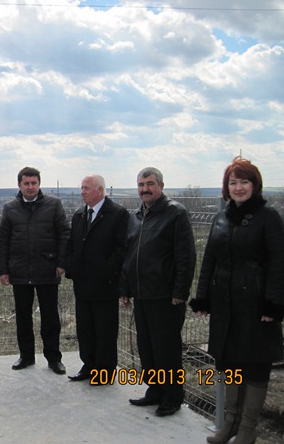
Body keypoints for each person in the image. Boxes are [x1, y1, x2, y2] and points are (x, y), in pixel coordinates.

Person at [190, 157, 284, 444]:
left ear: (255, 185)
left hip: (256, 307)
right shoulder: (221, 218)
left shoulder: (269, 217)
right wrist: (203, 297)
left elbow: (279, 263)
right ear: (226, 187)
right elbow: (210, 260)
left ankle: (247, 430)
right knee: (229, 363)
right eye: (233, 182)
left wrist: (273, 304)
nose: (238, 187)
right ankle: (230, 423)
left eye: (244, 182)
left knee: (254, 366)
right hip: (225, 306)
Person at [120, 167, 196, 417]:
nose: (145, 189)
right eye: (141, 185)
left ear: (161, 186)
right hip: (141, 295)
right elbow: (129, 256)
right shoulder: (136, 216)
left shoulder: (175, 213)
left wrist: (180, 291)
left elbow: (186, 256)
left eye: (150, 184)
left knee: (167, 350)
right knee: (147, 347)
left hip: (165, 296)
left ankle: (172, 396)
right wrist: (125, 288)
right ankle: (155, 390)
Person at [0, 167, 71, 375]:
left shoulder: (54, 204)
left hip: (48, 269)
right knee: (23, 317)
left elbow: (64, 234)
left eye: (34, 183)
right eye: (26, 183)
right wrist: (3, 270)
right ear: (19, 185)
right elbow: (3, 240)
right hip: (20, 271)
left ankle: (54, 358)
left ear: (39, 184)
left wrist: (61, 263)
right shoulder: (10, 208)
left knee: (50, 318)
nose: (30, 187)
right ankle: (26, 356)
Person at [65, 175, 129, 382]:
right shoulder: (79, 215)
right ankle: (89, 365)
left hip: (104, 285)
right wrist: (72, 268)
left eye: (86, 188)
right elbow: (71, 244)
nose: (82, 192)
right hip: (83, 284)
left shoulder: (117, 214)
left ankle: (104, 371)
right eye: (81, 188)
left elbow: (122, 249)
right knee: (85, 328)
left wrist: (107, 270)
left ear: (100, 190)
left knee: (104, 329)